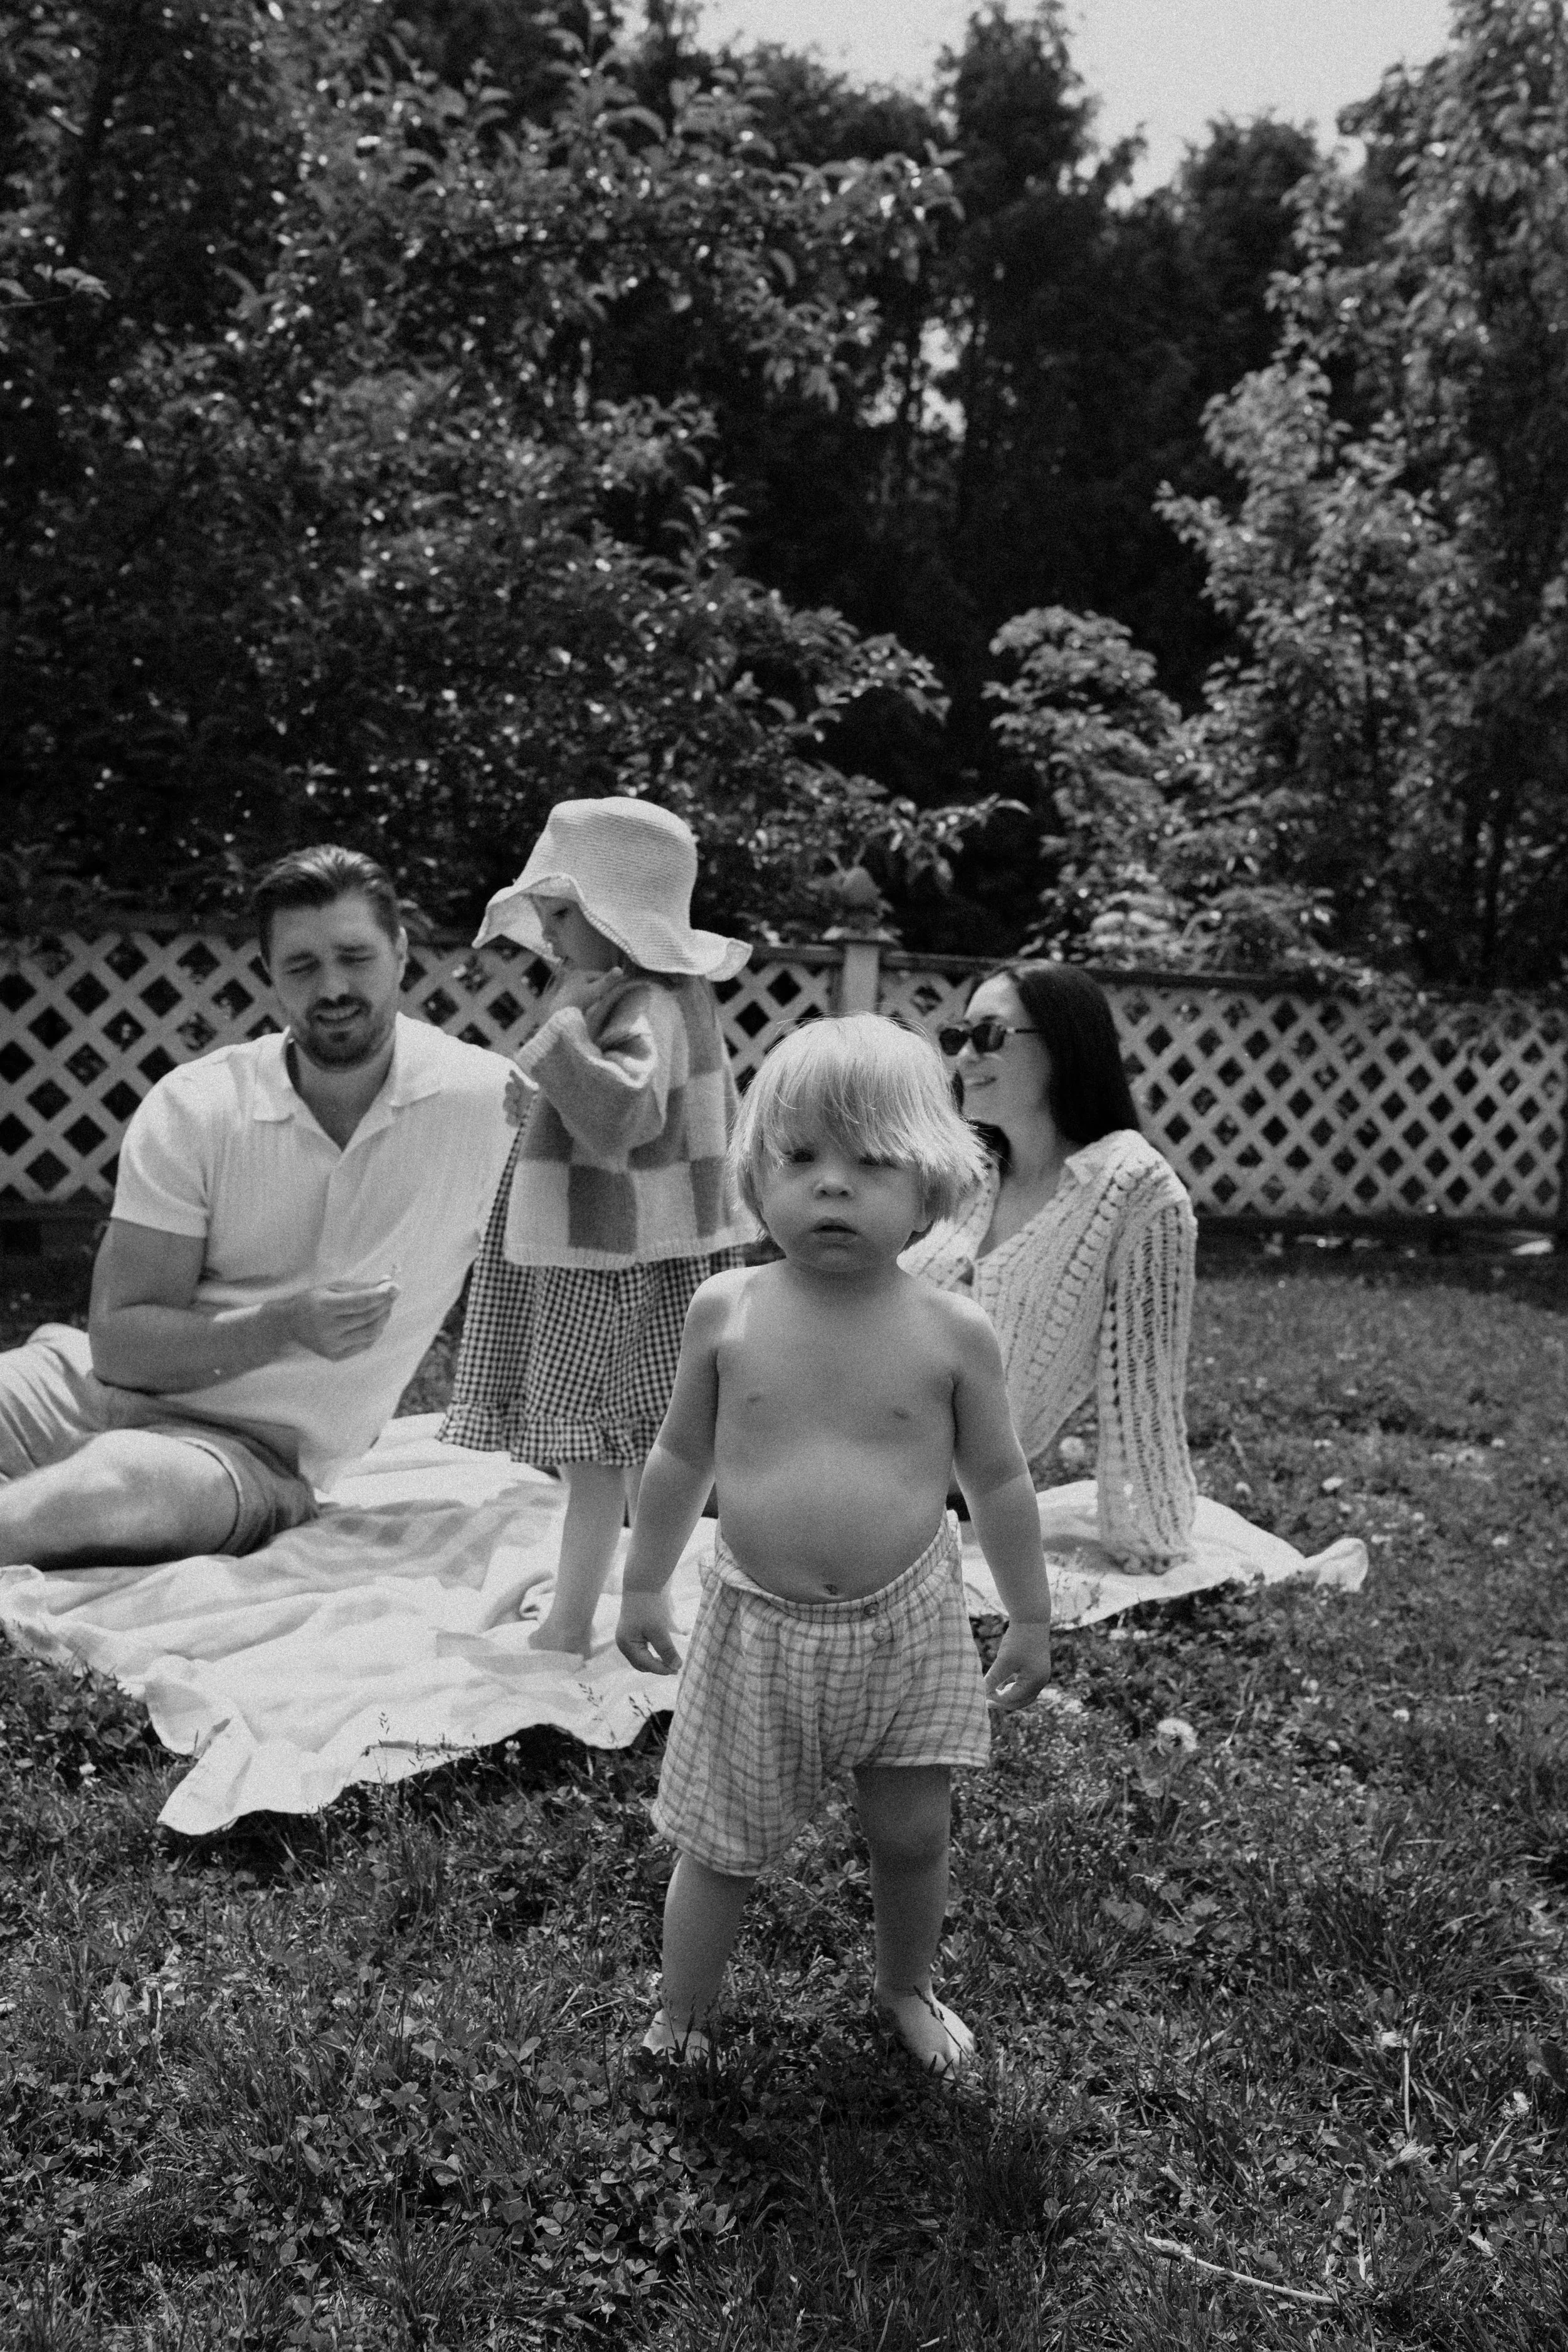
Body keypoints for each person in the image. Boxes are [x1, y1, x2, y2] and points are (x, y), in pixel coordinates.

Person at [615, 1015, 1054, 2077]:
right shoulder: (729, 1308)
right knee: (719, 1846)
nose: (832, 1187)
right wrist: (641, 1587)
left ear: (937, 1188)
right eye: (801, 1158)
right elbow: (679, 1459)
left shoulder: (952, 1331)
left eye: (871, 1162)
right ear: (756, 1175)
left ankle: (905, 1985)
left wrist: (1032, 1614)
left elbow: (996, 1478)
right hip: (753, 1630)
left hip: (908, 1625)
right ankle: (681, 2015)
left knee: (913, 1834)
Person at [0, 847, 515, 1570]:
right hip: (78, 1384)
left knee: (115, 1488)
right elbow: (120, 1347)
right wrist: (286, 1324)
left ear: (400, 953)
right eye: (302, 966)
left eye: (354, 957)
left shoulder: (488, 1106)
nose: (332, 987)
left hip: (242, 1454)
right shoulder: (200, 1104)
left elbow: (593, 1264)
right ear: (269, 975)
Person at [440, 797, 753, 1655]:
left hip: (614, 1260)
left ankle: (572, 1620)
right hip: (631, 1247)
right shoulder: (643, 994)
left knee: (595, 1452)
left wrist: (552, 1034)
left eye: (562, 911)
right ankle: (613, 1585)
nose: (546, 929)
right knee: (632, 1443)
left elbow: (620, 1113)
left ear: (617, 916)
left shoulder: (642, 1002)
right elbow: (589, 1100)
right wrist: (544, 1079)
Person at [901, 963, 1198, 1566]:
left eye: (991, 1036)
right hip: (830, 1426)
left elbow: (1147, 1382)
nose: (964, 1059)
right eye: (959, 1037)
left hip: (923, 1486)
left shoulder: (1132, 1188)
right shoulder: (972, 1173)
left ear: (1066, 1046)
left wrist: (1148, 1533)